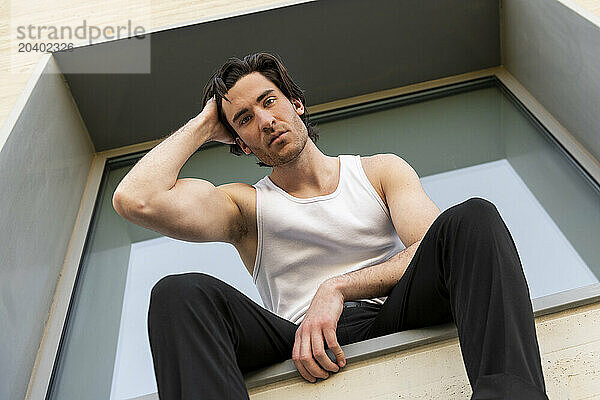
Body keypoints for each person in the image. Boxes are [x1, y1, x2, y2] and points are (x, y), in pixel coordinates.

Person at [112, 52, 549, 400]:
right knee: (178, 293)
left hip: (391, 311)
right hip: (297, 338)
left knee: (473, 217)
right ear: (240, 144)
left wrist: (336, 287)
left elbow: (427, 246)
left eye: (269, 101)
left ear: (296, 104)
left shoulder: (379, 171)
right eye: (244, 119)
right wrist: (208, 122)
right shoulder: (244, 207)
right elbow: (136, 199)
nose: (264, 120)